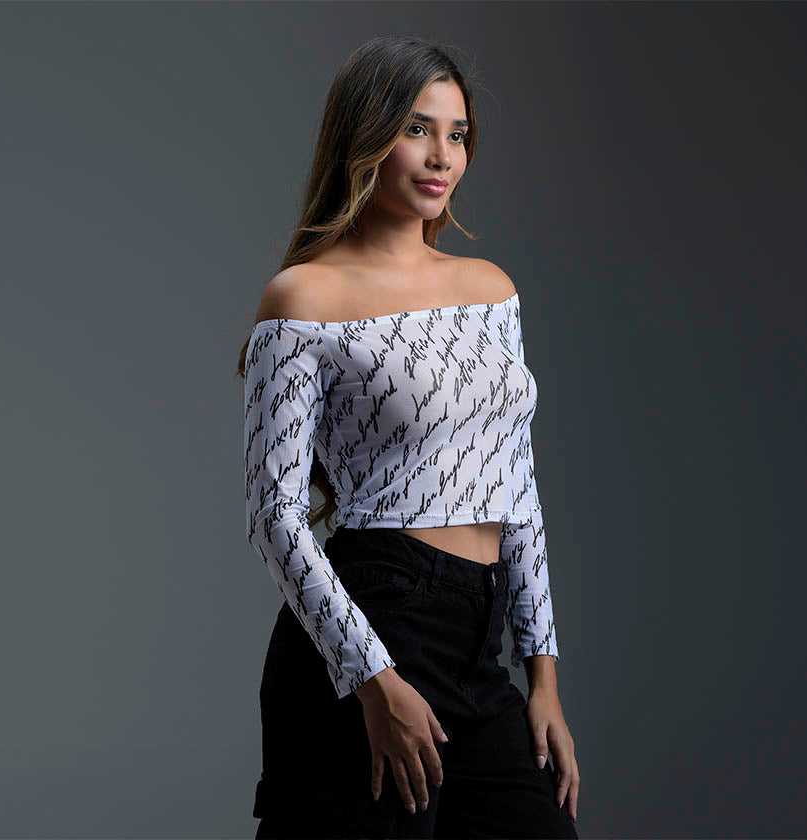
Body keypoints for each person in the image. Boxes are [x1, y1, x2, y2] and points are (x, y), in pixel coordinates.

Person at [237, 35, 580, 839]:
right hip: (375, 619)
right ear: (365, 135)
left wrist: (543, 680)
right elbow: (275, 517)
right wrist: (371, 678)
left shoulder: (489, 290)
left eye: (458, 134)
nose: (441, 156)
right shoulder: (305, 298)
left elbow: (518, 489)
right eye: (417, 128)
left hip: (477, 641)